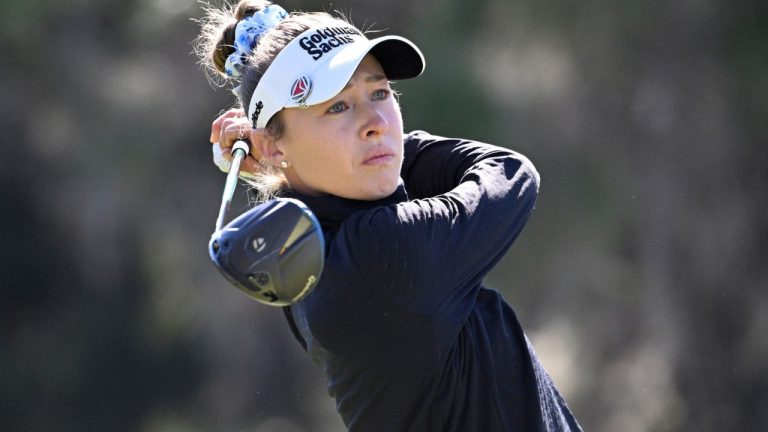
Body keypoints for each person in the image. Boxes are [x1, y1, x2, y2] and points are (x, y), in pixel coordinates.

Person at [196, 1, 583, 430]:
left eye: (379, 93)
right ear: (271, 145)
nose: (377, 122)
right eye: (338, 106)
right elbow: (510, 173)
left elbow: (315, 183)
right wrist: (385, 151)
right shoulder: (382, 250)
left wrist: (283, 159)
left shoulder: (304, 247)